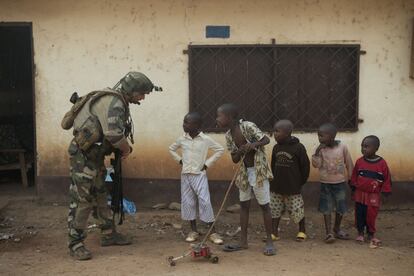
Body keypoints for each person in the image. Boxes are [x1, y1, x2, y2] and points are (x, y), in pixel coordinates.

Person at [62, 71, 159, 260]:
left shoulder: (114, 98)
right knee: (82, 199)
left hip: (93, 156)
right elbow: (113, 135)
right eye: (142, 93)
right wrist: (126, 149)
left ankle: (108, 234)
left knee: (100, 193)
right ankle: (75, 243)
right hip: (84, 157)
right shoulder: (115, 103)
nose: (143, 98)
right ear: (131, 90)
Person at [216, 103, 276, 256]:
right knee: (244, 205)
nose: (217, 119)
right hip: (244, 173)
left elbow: (265, 140)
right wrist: (239, 151)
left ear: (229, 117)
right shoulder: (228, 136)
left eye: (219, 116)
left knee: (264, 206)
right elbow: (235, 159)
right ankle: (243, 241)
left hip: (258, 171)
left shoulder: (248, 126)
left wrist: (252, 145)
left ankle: (269, 241)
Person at [169, 112, 224, 245]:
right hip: (186, 175)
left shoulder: (205, 139)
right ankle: (193, 230)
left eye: (187, 122)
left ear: (197, 125)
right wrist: (180, 160)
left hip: (199, 175)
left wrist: (207, 164)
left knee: (205, 202)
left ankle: (212, 231)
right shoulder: (182, 139)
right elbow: (171, 149)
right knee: (188, 202)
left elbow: (220, 149)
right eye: (184, 121)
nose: (184, 125)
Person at [312, 123, 353, 243]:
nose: (319, 138)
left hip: (340, 183)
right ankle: (328, 232)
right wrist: (316, 153)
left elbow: (349, 163)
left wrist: (351, 178)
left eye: (322, 136)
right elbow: (316, 165)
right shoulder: (319, 148)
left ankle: (337, 228)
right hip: (326, 183)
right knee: (327, 208)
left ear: (332, 136)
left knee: (341, 207)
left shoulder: (342, 147)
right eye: (318, 135)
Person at [269, 120, 310, 242]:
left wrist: (299, 182)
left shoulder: (299, 148)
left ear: (287, 133)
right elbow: (273, 165)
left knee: (297, 210)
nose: (274, 134)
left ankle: (302, 231)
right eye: (274, 131)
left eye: (277, 131)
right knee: (275, 210)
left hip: (293, 187)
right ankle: (274, 232)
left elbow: (305, 167)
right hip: (277, 187)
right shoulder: (276, 148)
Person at [350, 135, 391, 248]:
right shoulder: (359, 162)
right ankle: (360, 233)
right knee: (359, 213)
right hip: (360, 194)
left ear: (376, 148)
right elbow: (354, 176)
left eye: (367, 146)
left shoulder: (382, 164)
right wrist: (353, 188)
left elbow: (387, 179)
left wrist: (385, 193)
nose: (363, 149)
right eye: (362, 146)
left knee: (371, 214)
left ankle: (371, 233)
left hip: (373, 195)